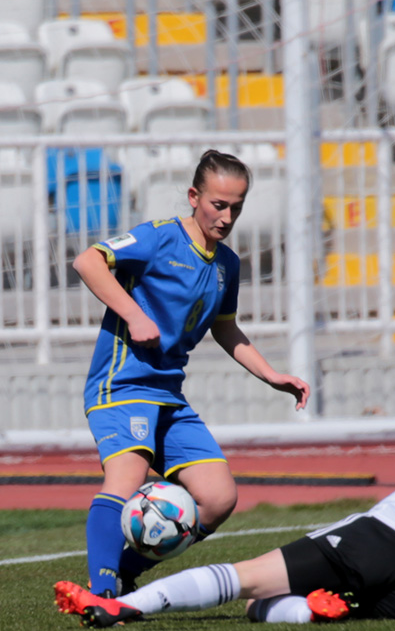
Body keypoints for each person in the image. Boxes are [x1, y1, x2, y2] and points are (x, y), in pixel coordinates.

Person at [54, 298, 395, 626]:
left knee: (246, 580)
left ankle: (125, 606)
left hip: (393, 540)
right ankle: (312, 610)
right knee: (266, 610)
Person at [72, 149, 310, 599]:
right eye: (218, 205)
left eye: (236, 207)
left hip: (168, 395)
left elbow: (226, 328)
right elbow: (88, 261)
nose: (226, 217)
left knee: (218, 498)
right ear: (194, 196)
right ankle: (100, 595)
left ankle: (123, 574)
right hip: (123, 386)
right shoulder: (159, 237)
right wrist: (133, 314)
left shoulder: (226, 265)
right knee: (126, 480)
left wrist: (271, 375)